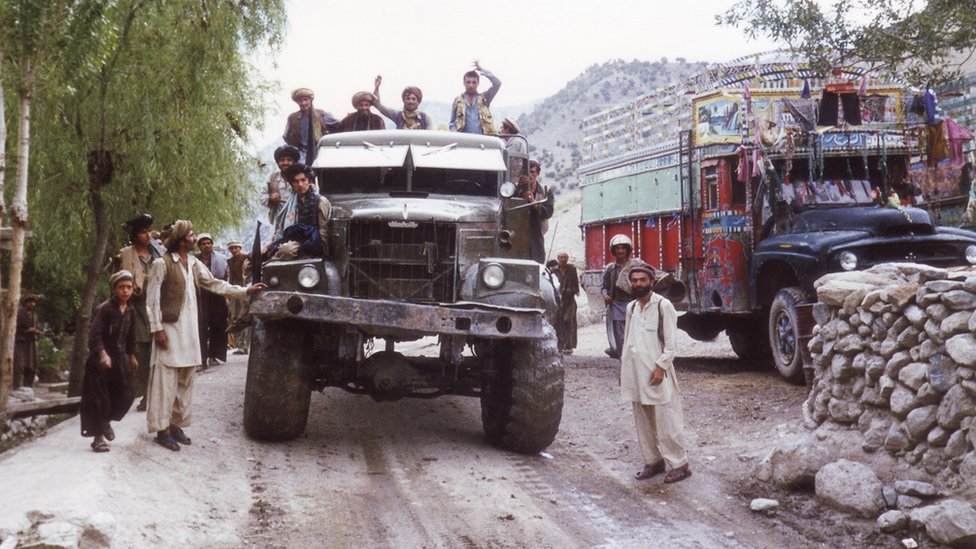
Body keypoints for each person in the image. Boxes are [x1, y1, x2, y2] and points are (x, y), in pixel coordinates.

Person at [145, 220, 266, 451]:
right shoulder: (161, 264)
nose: (194, 238)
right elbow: (152, 300)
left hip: (189, 331)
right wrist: (157, 329)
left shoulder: (193, 263)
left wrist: (245, 291)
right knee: (165, 382)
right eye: (191, 235)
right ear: (182, 240)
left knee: (185, 379)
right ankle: (162, 430)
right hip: (169, 331)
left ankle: (175, 424)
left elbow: (214, 284)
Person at [621, 263, 691, 484]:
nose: (639, 284)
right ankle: (653, 461)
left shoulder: (663, 306)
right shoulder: (631, 307)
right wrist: (624, 370)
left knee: (666, 418)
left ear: (651, 282)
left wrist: (661, 366)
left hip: (657, 372)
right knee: (643, 419)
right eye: (635, 280)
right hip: (635, 372)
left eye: (643, 280)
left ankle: (680, 464)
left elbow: (671, 344)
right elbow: (627, 341)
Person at [80, 270, 139, 453]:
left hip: (120, 360)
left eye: (129, 287)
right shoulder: (104, 309)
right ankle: (98, 439)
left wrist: (132, 355)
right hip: (100, 363)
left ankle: (106, 422)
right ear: (114, 289)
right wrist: (103, 354)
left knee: (126, 396)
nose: (126, 291)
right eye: (121, 287)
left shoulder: (130, 310)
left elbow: (131, 336)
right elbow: (94, 336)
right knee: (99, 399)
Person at [117, 212, 162, 411]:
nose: (148, 235)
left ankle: (153, 394)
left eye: (149, 231)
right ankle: (141, 394)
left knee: (156, 352)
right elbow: (120, 281)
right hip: (136, 309)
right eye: (143, 232)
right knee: (140, 353)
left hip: (156, 308)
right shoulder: (127, 254)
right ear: (135, 235)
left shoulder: (158, 254)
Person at [269, 163, 332, 260]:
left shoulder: (320, 201)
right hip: (294, 239)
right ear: (291, 184)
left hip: (313, 241)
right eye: (296, 181)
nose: (300, 185)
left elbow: (323, 231)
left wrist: (320, 253)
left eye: (303, 180)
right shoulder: (291, 202)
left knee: (286, 250)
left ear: (309, 181)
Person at [196, 233, 230, 367]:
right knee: (201, 328)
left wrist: (227, 296)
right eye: (203, 243)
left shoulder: (221, 259)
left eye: (208, 243)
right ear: (199, 246)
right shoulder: (195, 260)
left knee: (218, 326)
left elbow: (226, 277)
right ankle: (201, 359)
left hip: (218, 295)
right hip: (201, 297)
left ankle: (213, 356)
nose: (206, 245)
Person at [283, 87, 340, 165]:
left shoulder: (321, 115)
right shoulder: (292, 118)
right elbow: (287, 137)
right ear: (297, 102)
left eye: (306, 100)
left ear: (310, 100)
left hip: (320, 151)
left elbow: (339, 125)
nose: (303, 103)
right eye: (300, 100)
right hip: (301, 153)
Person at [602, 234, 635, 359]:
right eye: (618, 248)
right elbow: (604, 287)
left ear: (628, 250)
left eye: (623, 248)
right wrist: (605, 295)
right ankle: (624, 362)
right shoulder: (610, 269)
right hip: (617, 305)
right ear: (613, 251)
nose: (620, 251)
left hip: (634, 305)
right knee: (620, 338)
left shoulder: (636, 266)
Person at [515, 160, 554, 264]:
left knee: (537, 261)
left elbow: (548, 213)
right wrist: (519, 191)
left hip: (536, 233)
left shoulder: (545, 192)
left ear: (538, 173)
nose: (530, 175)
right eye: (527, 172)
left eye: (532, 172)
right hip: (517, 232)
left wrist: (533, 202)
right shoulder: (515, 189)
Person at [449, 60, 501, 134]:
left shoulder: (485, 98)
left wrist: (482, 70)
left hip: (483, 141)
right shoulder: (458, 100)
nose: (471, 85)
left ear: (478, 83)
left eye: (474, 82)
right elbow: (452, 123)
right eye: (468, 82)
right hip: (464, 142)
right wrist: (455, 134)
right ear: (464, 83)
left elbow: (497, 84)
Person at [262, 145, 300, 224]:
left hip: (297, 220)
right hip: (277, 220)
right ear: (278, 162)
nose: (285, 163)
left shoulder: (301, 178)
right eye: (282, 160)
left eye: (289, 160)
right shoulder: (272, 178)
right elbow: (262, 198)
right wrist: (271, 197)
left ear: (294, 162)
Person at [553, 252, 580, 355]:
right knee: (558, 322)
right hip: (558, 301)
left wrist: (573, 290)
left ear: (567, 259)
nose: (563, 259)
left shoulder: (572, 269)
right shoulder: (554, 271)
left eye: (565, 257)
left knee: (569, 321)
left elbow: (576, 283)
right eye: (561, 257)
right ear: (558, 259)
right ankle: (559, 345)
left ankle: (568, 346)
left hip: (569, 300)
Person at [226, 241, 250, 355]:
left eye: (236, 248)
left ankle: (245, 345)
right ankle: (240, 345)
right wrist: (229, 292)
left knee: (244, 315)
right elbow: (231, 276)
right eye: (232, 248)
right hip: (235, 290)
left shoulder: (246, 257)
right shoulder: (230, 261)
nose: (234, 250)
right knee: (236, 316)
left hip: (245, 289)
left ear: (239, 248)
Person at [14, 295, 41, 388]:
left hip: (32, 342)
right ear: (25, 303)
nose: (32, 304)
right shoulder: (19, 314)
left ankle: (28, 386)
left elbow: (38, 329)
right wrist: (26, 331)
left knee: (32, 364)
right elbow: (15, 328)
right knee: (20, 364)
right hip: (21, 341)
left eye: (34, 302)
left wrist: (36, 331)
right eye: (30, 302)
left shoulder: (35, 315)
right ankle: (18, 386)